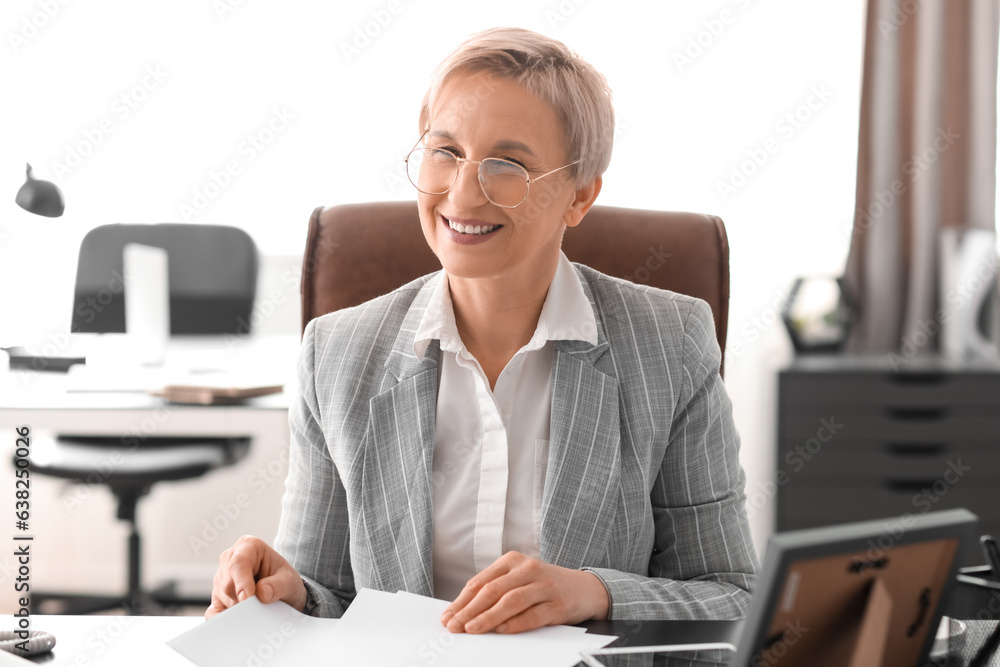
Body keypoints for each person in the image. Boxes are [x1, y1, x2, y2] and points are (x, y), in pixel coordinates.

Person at [208, 26, 757, 635]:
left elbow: (732, 599)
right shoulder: (336, 353)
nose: (463, 192)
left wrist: (594, 593)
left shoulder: (670, 345)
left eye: (508, 164)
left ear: (579, 196)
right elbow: (332, 594)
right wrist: (289, 596)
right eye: (445, 151)